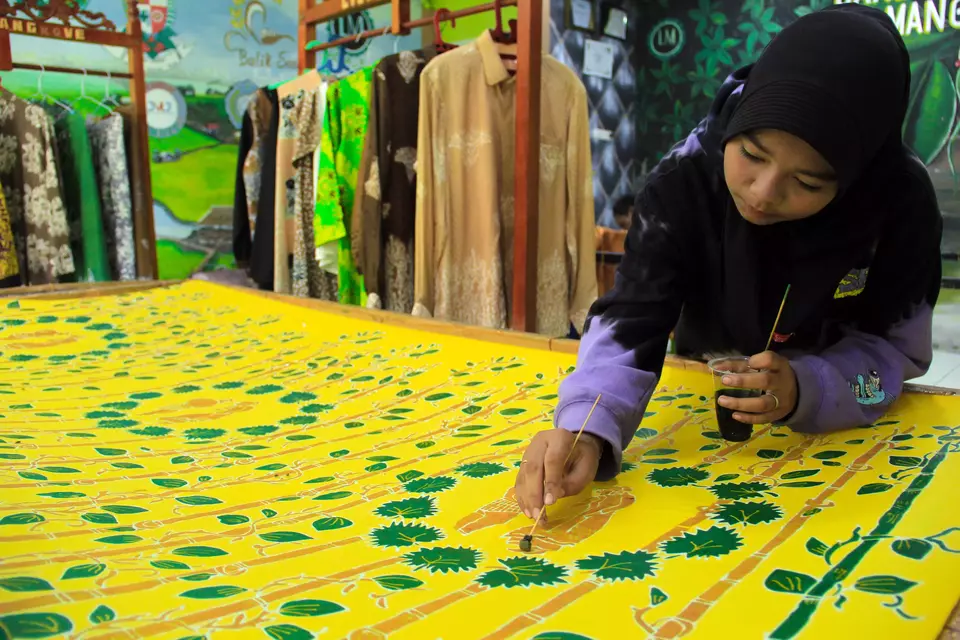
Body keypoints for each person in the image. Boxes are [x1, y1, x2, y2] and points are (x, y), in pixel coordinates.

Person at [514, 4, 943, 520]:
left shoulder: (898, 201)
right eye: (753, 155)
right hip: (709, 397)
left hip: (840, 430)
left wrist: (807, 386)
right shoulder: (686, 178)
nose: (762, 193)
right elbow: (633, 314)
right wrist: (587, 425)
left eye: (807, 182)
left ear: (855, 175)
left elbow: (894, 347)